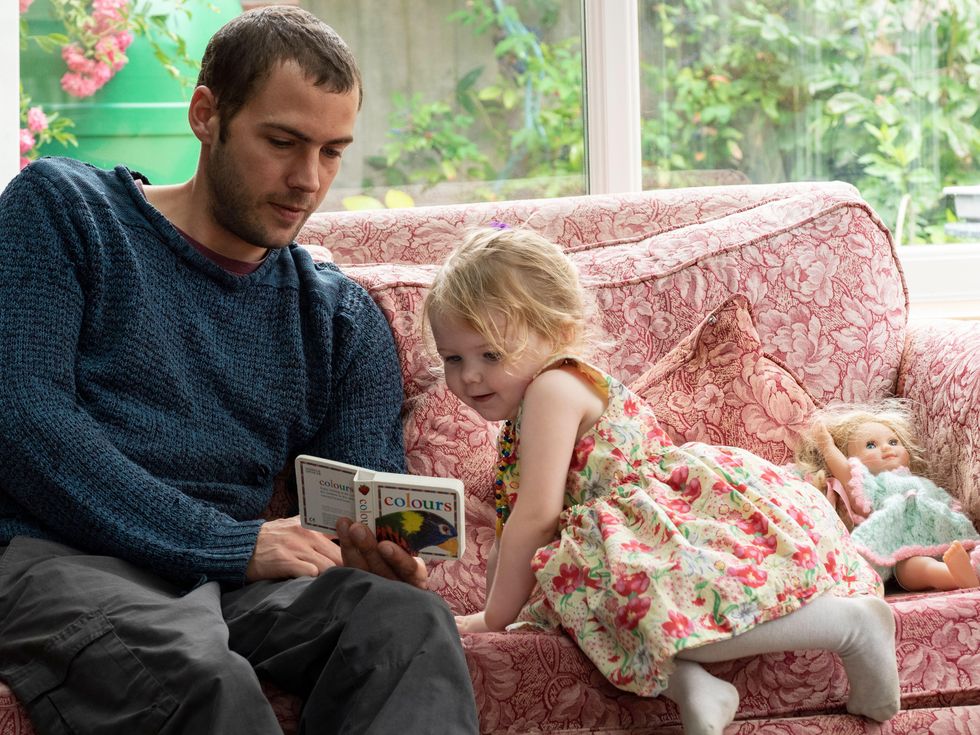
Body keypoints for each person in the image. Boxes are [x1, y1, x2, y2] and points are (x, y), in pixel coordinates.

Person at [0, 7, 477, 734]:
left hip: (234, 581)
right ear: (205, 114)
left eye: (332, 151)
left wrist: (376, 556)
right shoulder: (64, 210)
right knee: (200, 677)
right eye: (282, 141)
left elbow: (358, 493)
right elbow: (26, 420)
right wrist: (232, 542)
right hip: (65, 558)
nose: (306, 179)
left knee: (406, 623)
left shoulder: (340, 318)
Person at [423, 226, 900, 735]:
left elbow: (535, 516)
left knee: (672, 614)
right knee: (574, 605)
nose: (469, 376)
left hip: (662, 522)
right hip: (613, 537)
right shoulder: (530, 406)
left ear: (557, 332)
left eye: (490, 355)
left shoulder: (553, 388)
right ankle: (694, 686)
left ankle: (853, 625)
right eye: (454, 358)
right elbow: (511, 537)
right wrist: (498, 611)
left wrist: (495, 618)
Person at [796, 399, 980, 591]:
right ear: (853, 461)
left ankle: (968, 568)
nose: (886, 448)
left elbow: (943, 502)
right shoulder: (874, 485)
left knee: (970, 549)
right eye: (870, 445)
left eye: (893, 442)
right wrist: (827, 446)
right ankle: (954, 577)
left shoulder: (920, 483)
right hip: (903, 551)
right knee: (918, 567)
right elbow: (847, 476)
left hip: (942, 535)